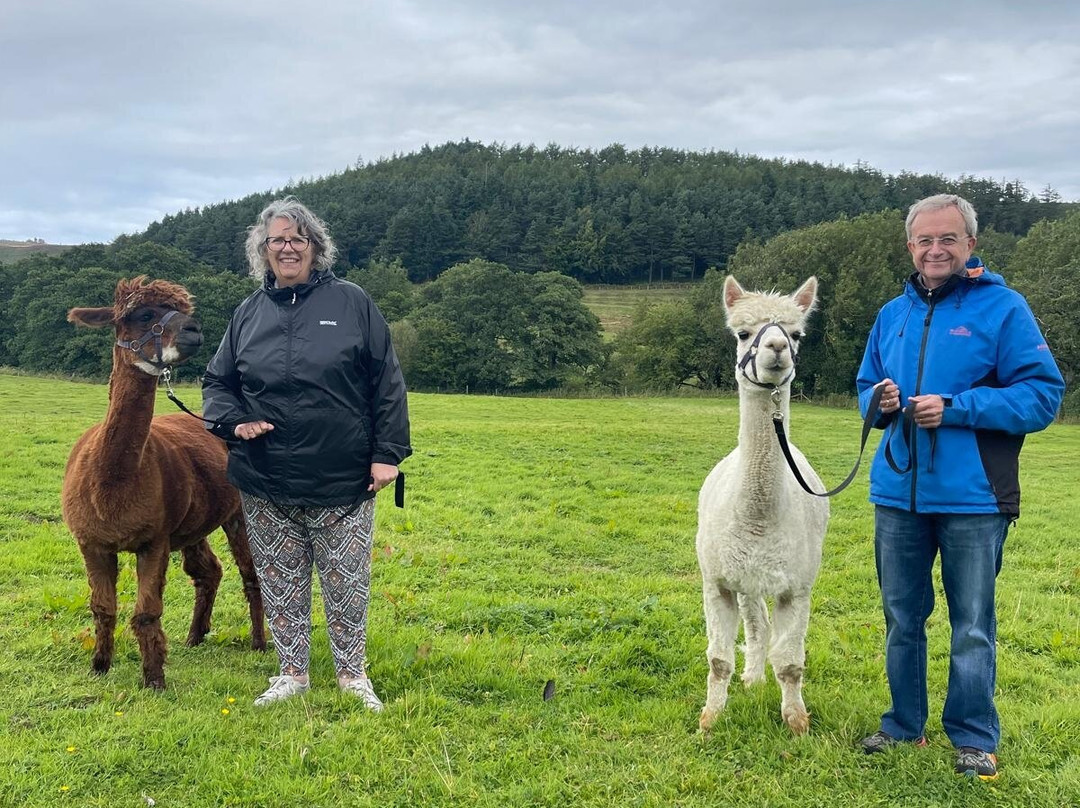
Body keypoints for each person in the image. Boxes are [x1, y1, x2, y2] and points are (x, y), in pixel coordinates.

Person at [855, 194, 1064, 779]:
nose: (935, 249)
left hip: (975, 497)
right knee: (902, 617)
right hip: (898, 494)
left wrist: (955, 408)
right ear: (910, 247)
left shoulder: (1004, 308)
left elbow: (1042, 396)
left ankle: (973, 737)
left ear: (971, 243)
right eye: (924, 240)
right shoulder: (890, 314)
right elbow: (865, 382)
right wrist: (878, 401)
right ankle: (902, 726)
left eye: (948, 238)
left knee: (971, 624)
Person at [202, 196, 411, 709]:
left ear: (315, 248)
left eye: (298, 239)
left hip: (341, 476)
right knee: (278, 578)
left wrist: (388, 454)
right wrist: (233, 421)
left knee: (346, 582)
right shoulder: (248, 312)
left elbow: (387, 381)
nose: (288, 247)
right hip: (265, 475)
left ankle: (352, 675)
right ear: (263, 251)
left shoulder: (353, 303)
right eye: (277, 240)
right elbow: (218, 381)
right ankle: (292, 673)